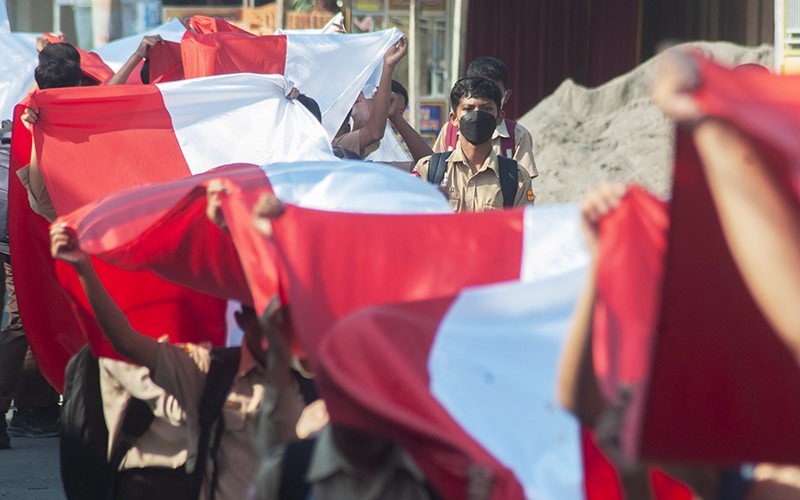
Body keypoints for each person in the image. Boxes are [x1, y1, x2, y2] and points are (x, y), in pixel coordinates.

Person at [49, 225, 305, 499]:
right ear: (242, 319)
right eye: (263, 318)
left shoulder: (317, 379)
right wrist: (84, 268)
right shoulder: (208, 370)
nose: (272, 328)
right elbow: (126, 342)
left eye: (281, 318)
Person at [413, 76, 534, 212]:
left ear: (499, 117)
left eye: (486, 109)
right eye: (468, 109)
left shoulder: (517, 178)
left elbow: (524, 228)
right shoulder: (428, 170)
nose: (477, 115)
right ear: (454, 118)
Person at [432, 56, 538, 179]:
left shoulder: (517, 135)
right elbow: (435, 172)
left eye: (493, 92)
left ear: (506, 96)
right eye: (469, 108)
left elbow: (522, 182)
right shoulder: (449, 131)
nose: (483, 96)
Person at [332, 37, 407, 159]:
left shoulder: (365, 147)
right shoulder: (333, 146)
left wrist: (395, 117)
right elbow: (374, 132)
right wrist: (387, 67)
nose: (382, 114)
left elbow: (424, 165)